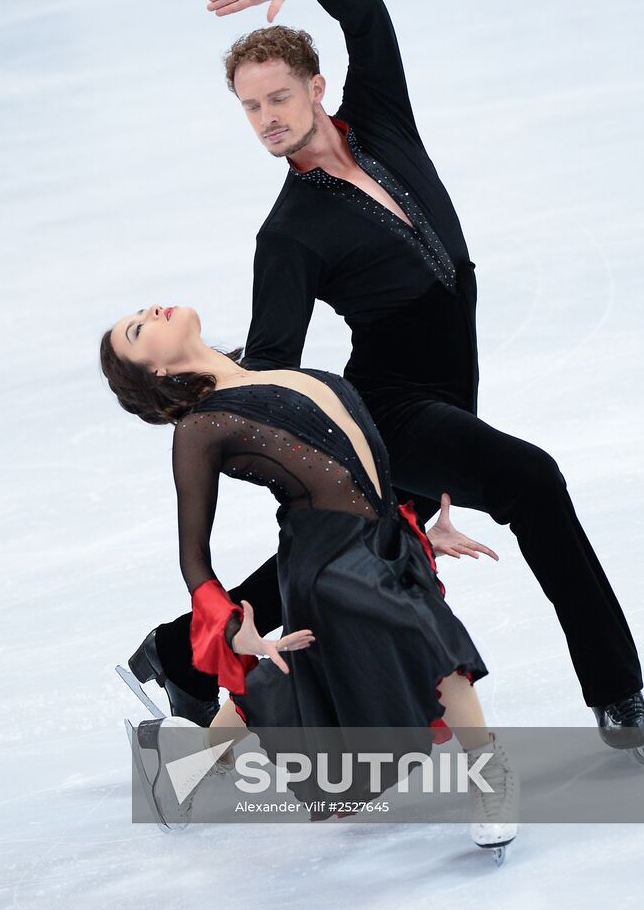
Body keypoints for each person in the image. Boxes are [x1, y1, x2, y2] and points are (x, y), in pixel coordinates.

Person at [130, 0, 644, 752]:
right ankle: (616, 691)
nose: (267, 119)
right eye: (250, 107)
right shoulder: (289, 233)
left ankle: (176, 657)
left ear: (315, 88)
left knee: (365, 536)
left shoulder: (379, 121)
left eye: (278, 97)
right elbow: (273, 362)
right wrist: (208, 394)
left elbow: (367, 15)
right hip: (393, 408)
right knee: (531, 481)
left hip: (445, 391)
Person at [101, 302, 518, 850]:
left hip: (384, 537)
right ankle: (491, 776)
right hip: (327, 559)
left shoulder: (271, 371)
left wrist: (414, 529)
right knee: (428, 635)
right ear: (154, 371)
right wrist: (230, 631)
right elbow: (193, 558)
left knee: (301, 674)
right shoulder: (200, 428)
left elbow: (356, 460)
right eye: (138, 329)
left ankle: (186, 768)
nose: (151, 312)